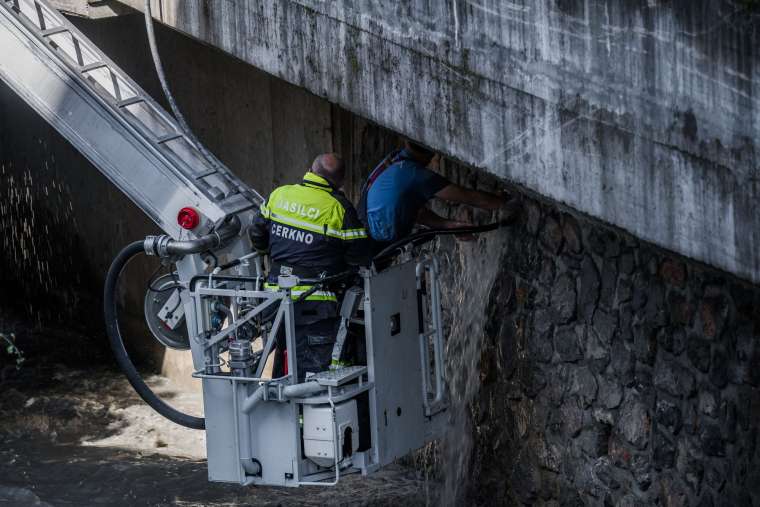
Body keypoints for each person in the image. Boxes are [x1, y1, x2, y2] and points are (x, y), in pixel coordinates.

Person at [248, 153, 370, 381]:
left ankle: (281, 410)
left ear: (310, 171)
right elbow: (359, 256)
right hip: (314, 303)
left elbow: (256, 233)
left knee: (282, 357)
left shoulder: (279, 195)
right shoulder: (339, 208)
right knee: (310, 371)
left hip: (274, 299)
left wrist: (270, 254)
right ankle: (303, 416)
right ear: (340, 181)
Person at [358, 140, 518, 250]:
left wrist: (447, 225)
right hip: (378, 240)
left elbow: (409, 209)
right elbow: (466, 196)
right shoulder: (415, 174)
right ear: (431, 154)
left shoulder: (396, 158)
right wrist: (503, 201)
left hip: (365, 223)